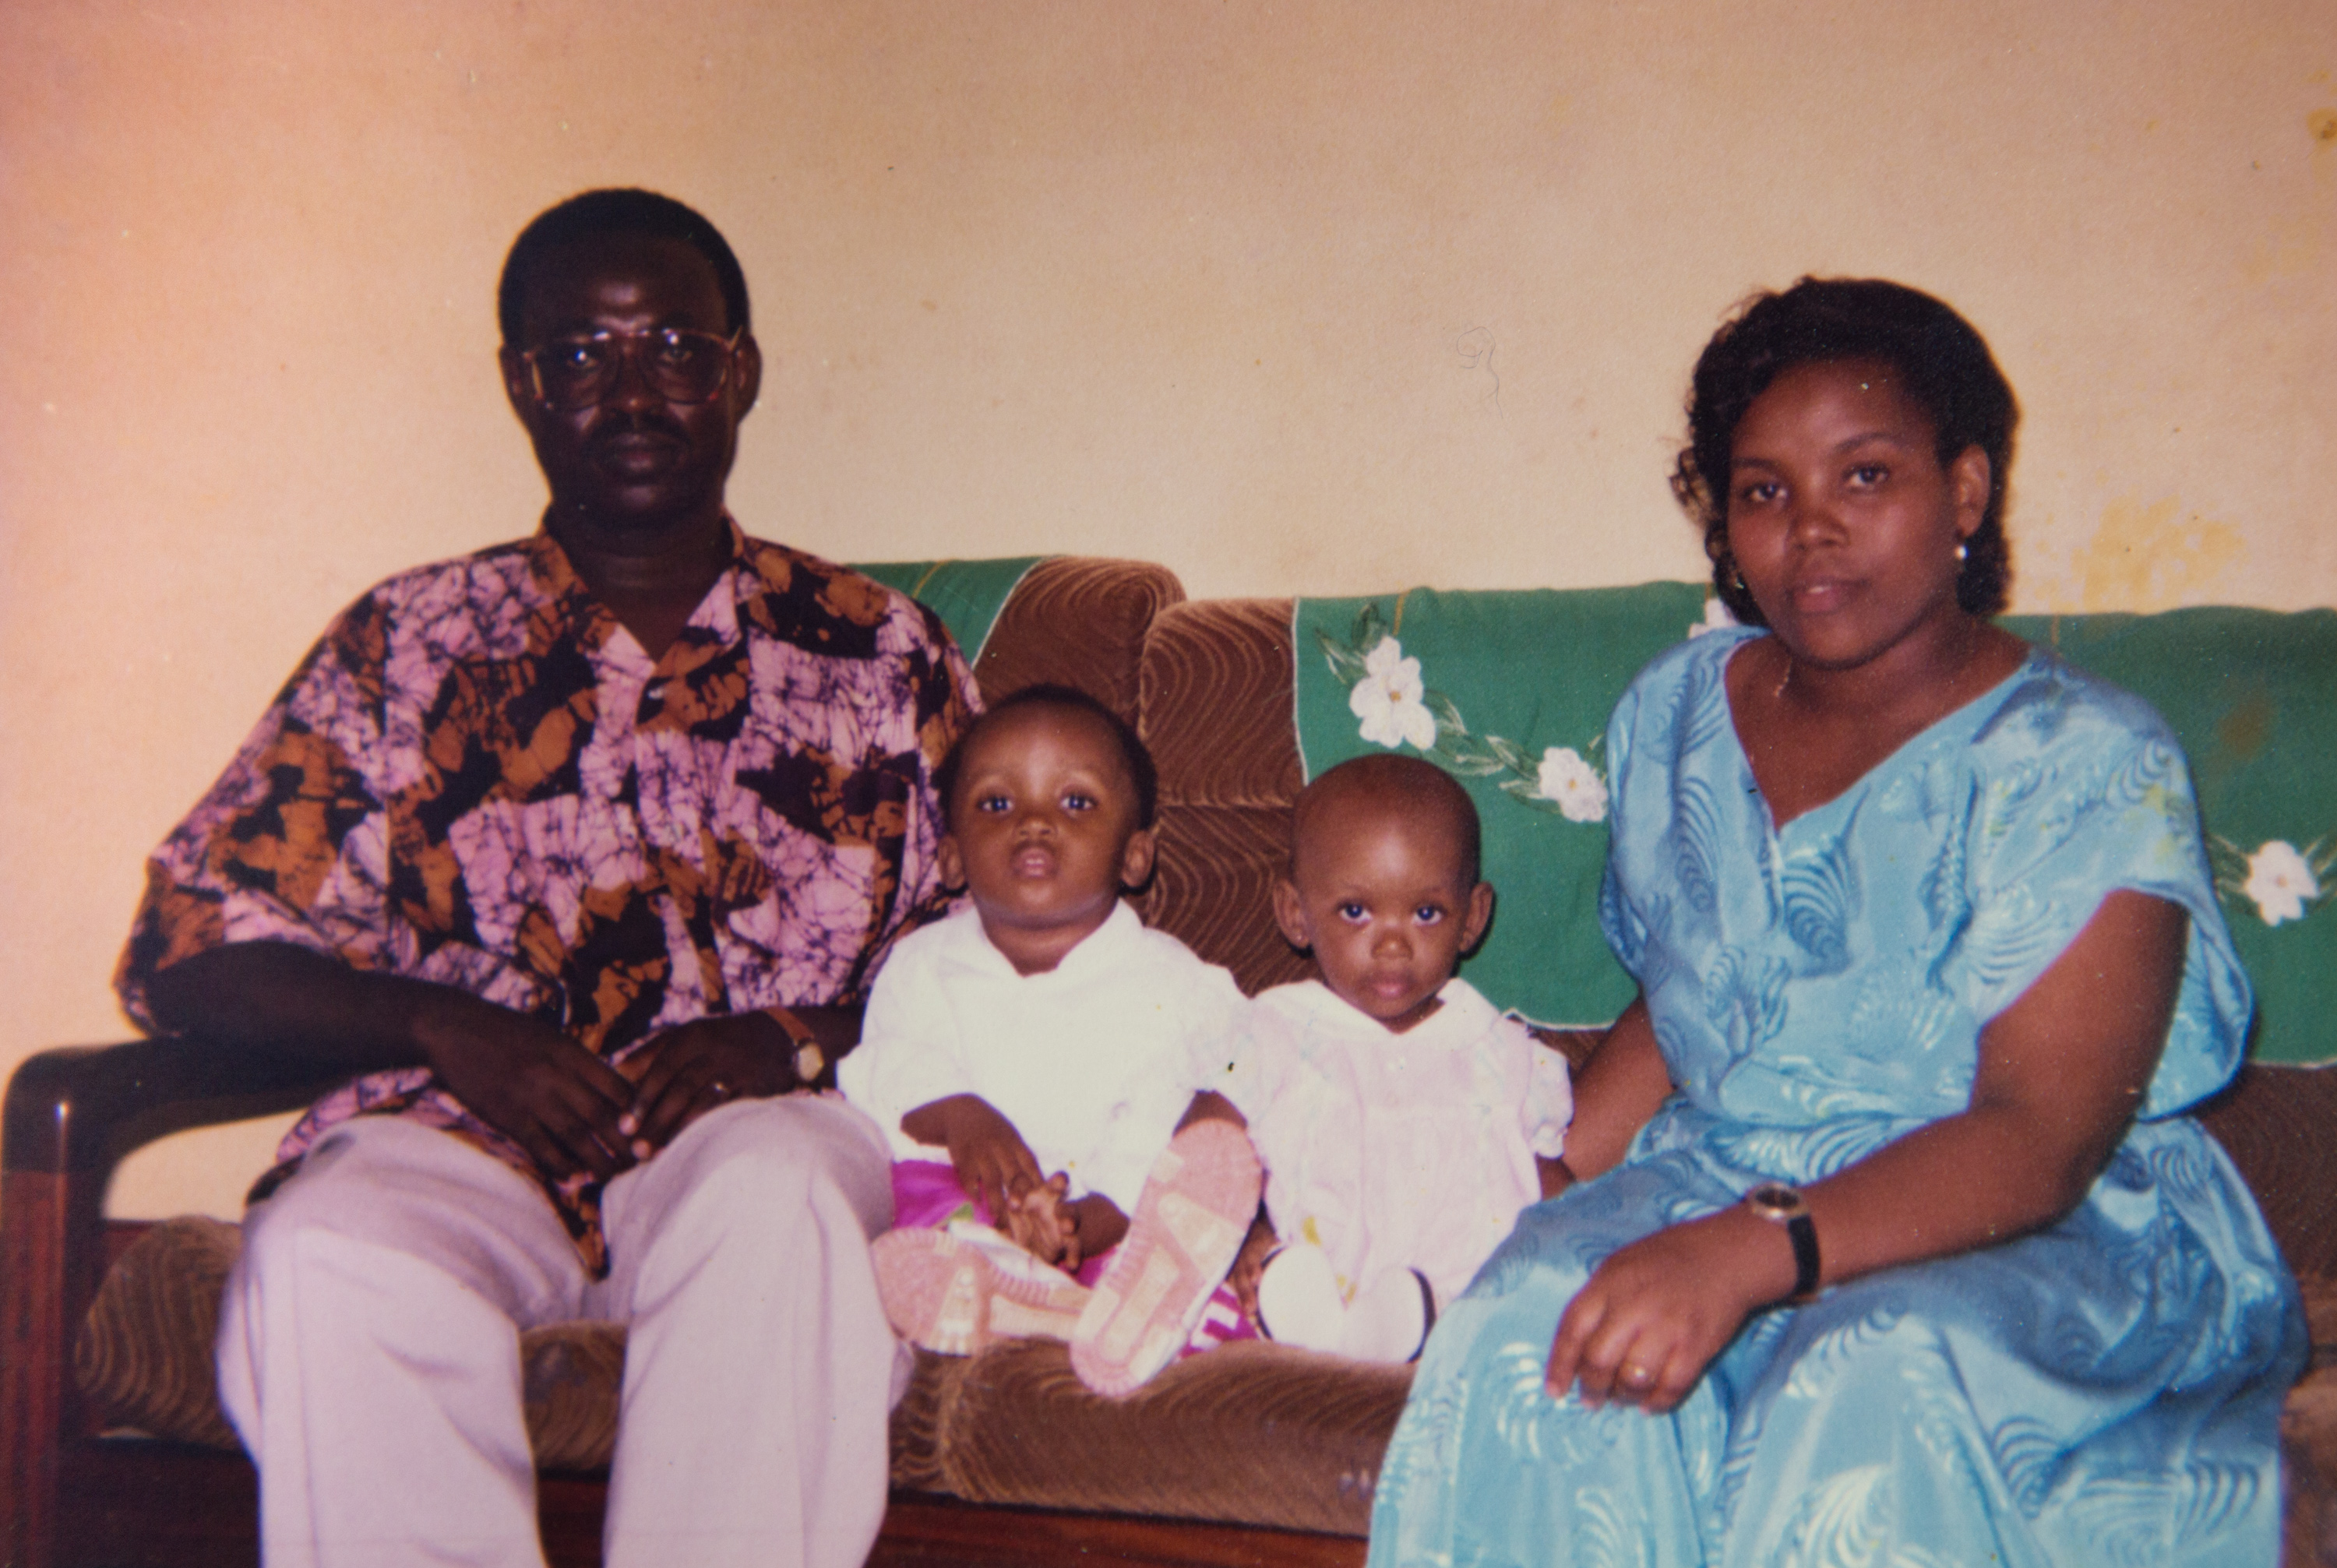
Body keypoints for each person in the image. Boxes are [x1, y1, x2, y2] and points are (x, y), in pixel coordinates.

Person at [1368, 278, 2307, 1566]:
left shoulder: (2085, 757)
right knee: (1529, 1314)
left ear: (1965, 492)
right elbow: (1692, 989)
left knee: (1866, 1377)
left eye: (1864, 477)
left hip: (2027, 1216)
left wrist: (1749, 1254)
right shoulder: (1675, 711)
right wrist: (1550, 1175)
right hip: (1720, 1165)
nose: (1811, 532)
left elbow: (2040, 1133)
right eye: (1764, 491)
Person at [116, 188, 980, 1568]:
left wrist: (794, 1035)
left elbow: (1002, 952)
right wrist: (436, 1026)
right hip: (462, 1136)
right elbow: (191, 945)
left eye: (675, 350)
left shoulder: (880, 651)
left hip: (750, 1132)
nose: (632, 391)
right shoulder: (408, 640)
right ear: (525, 383)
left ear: (739, 373)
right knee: (326, 1250)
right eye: (582, 354)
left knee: (781, 1193)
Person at [843, 684, 1260, 1397]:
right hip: (962, 1214)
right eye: (998, 804)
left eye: (1075, 802)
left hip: (1118, 1223)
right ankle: (1035, 1300)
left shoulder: (1181, 984)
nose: (1034, 824)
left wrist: (1082, 1222)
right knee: (911, 1223)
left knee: (1200, 1139)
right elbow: (878, 1072)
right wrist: (959, 1113)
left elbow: (1227, 1069)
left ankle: (1107, 1307)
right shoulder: (921, 966)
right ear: (948, 856)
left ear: (1135, 857)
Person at [1222, 753, 1573, 1363]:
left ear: (1472, 918)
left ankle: (1412, 1332)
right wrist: (1241, 1238)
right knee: (1280, 1285)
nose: (1391, 943)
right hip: (1303, 1285)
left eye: (1426, 912)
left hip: (1462, 1309)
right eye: (1356, 911)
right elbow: (1213, 1143)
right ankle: (1316, 1322)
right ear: (1296, 913)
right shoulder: (1270, 1029)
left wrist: (1584, 1251)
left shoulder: (1503, 1054)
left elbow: (1549, 1184)